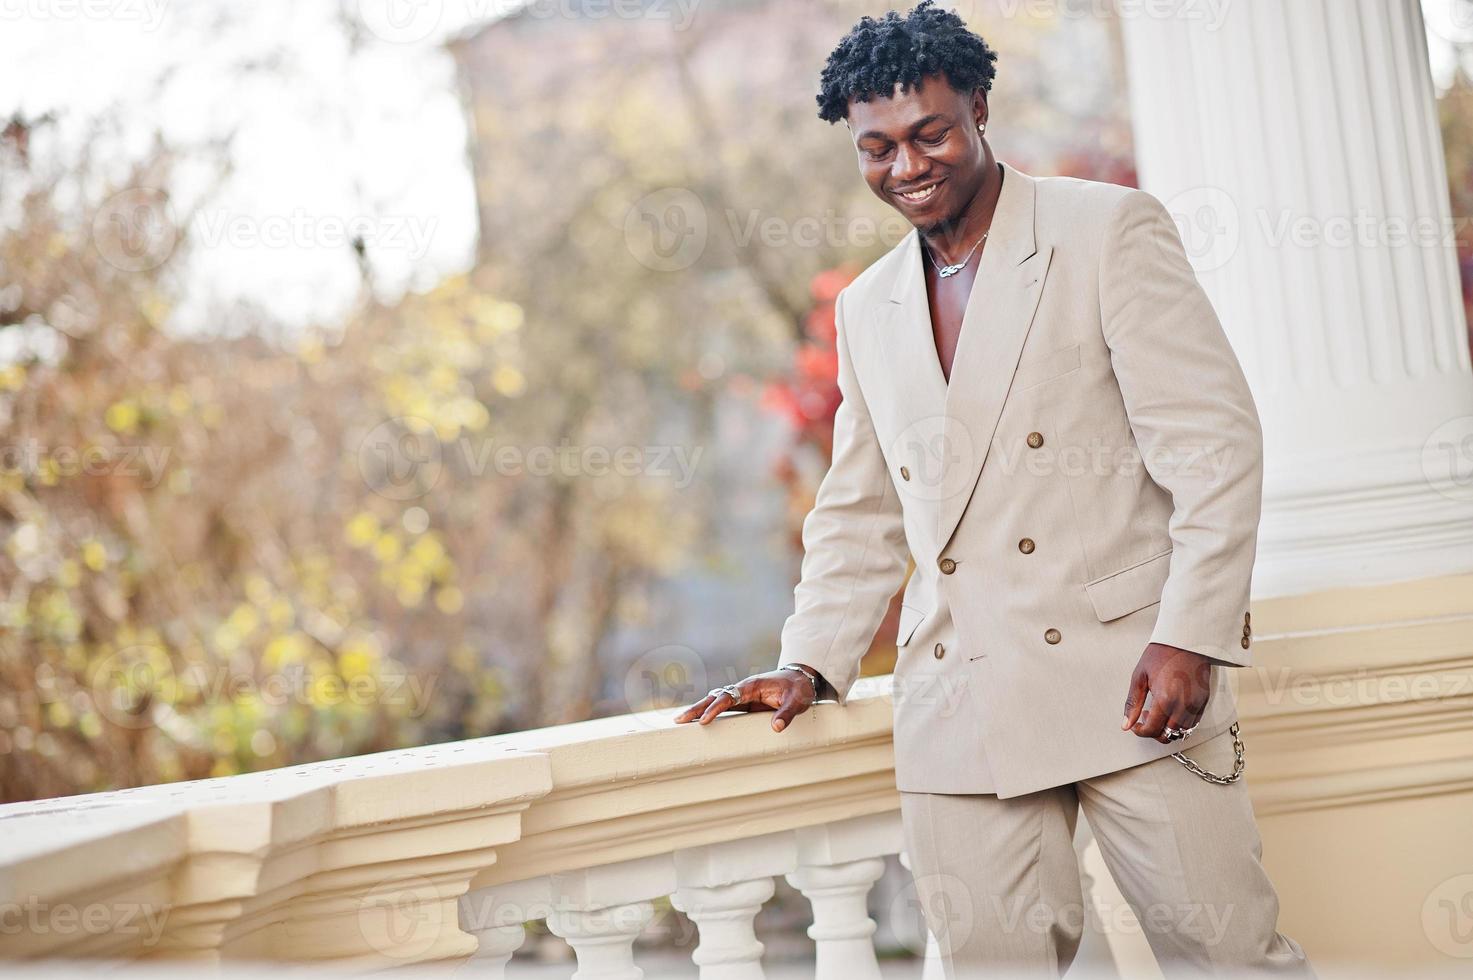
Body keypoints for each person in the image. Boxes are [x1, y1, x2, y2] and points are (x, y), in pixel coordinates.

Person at [676, 3, 1313, 976]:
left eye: (930, 133)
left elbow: (1214, 444)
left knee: (1230, 956)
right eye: (877, 147)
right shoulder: (867, 306)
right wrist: (809, 660)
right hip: (959, 700)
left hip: (1134, 677)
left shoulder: (1104, 230)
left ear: (978, 104)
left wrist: (1191, 631)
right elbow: (860, 511)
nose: (906, 165)